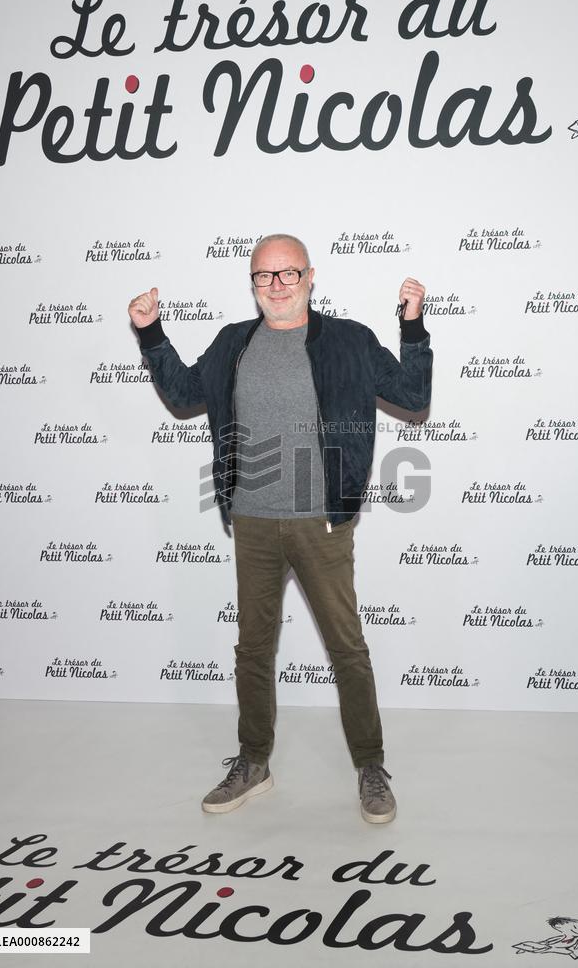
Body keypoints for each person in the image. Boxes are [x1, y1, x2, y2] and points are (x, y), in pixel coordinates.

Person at [128, 233, 432, 823]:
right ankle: (253, 761)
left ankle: (370, 766)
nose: (276, 284)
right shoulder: (233, 343)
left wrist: (413, 326)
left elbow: (413, 395)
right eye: (264, 275)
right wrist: (152, 333)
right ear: (253, 282)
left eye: (288, 273)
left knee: (347, 648)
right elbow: (186, 393)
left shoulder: (349, 339)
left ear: (310, 276)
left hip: (321, 521)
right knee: (253, 649)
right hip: (253, 520)